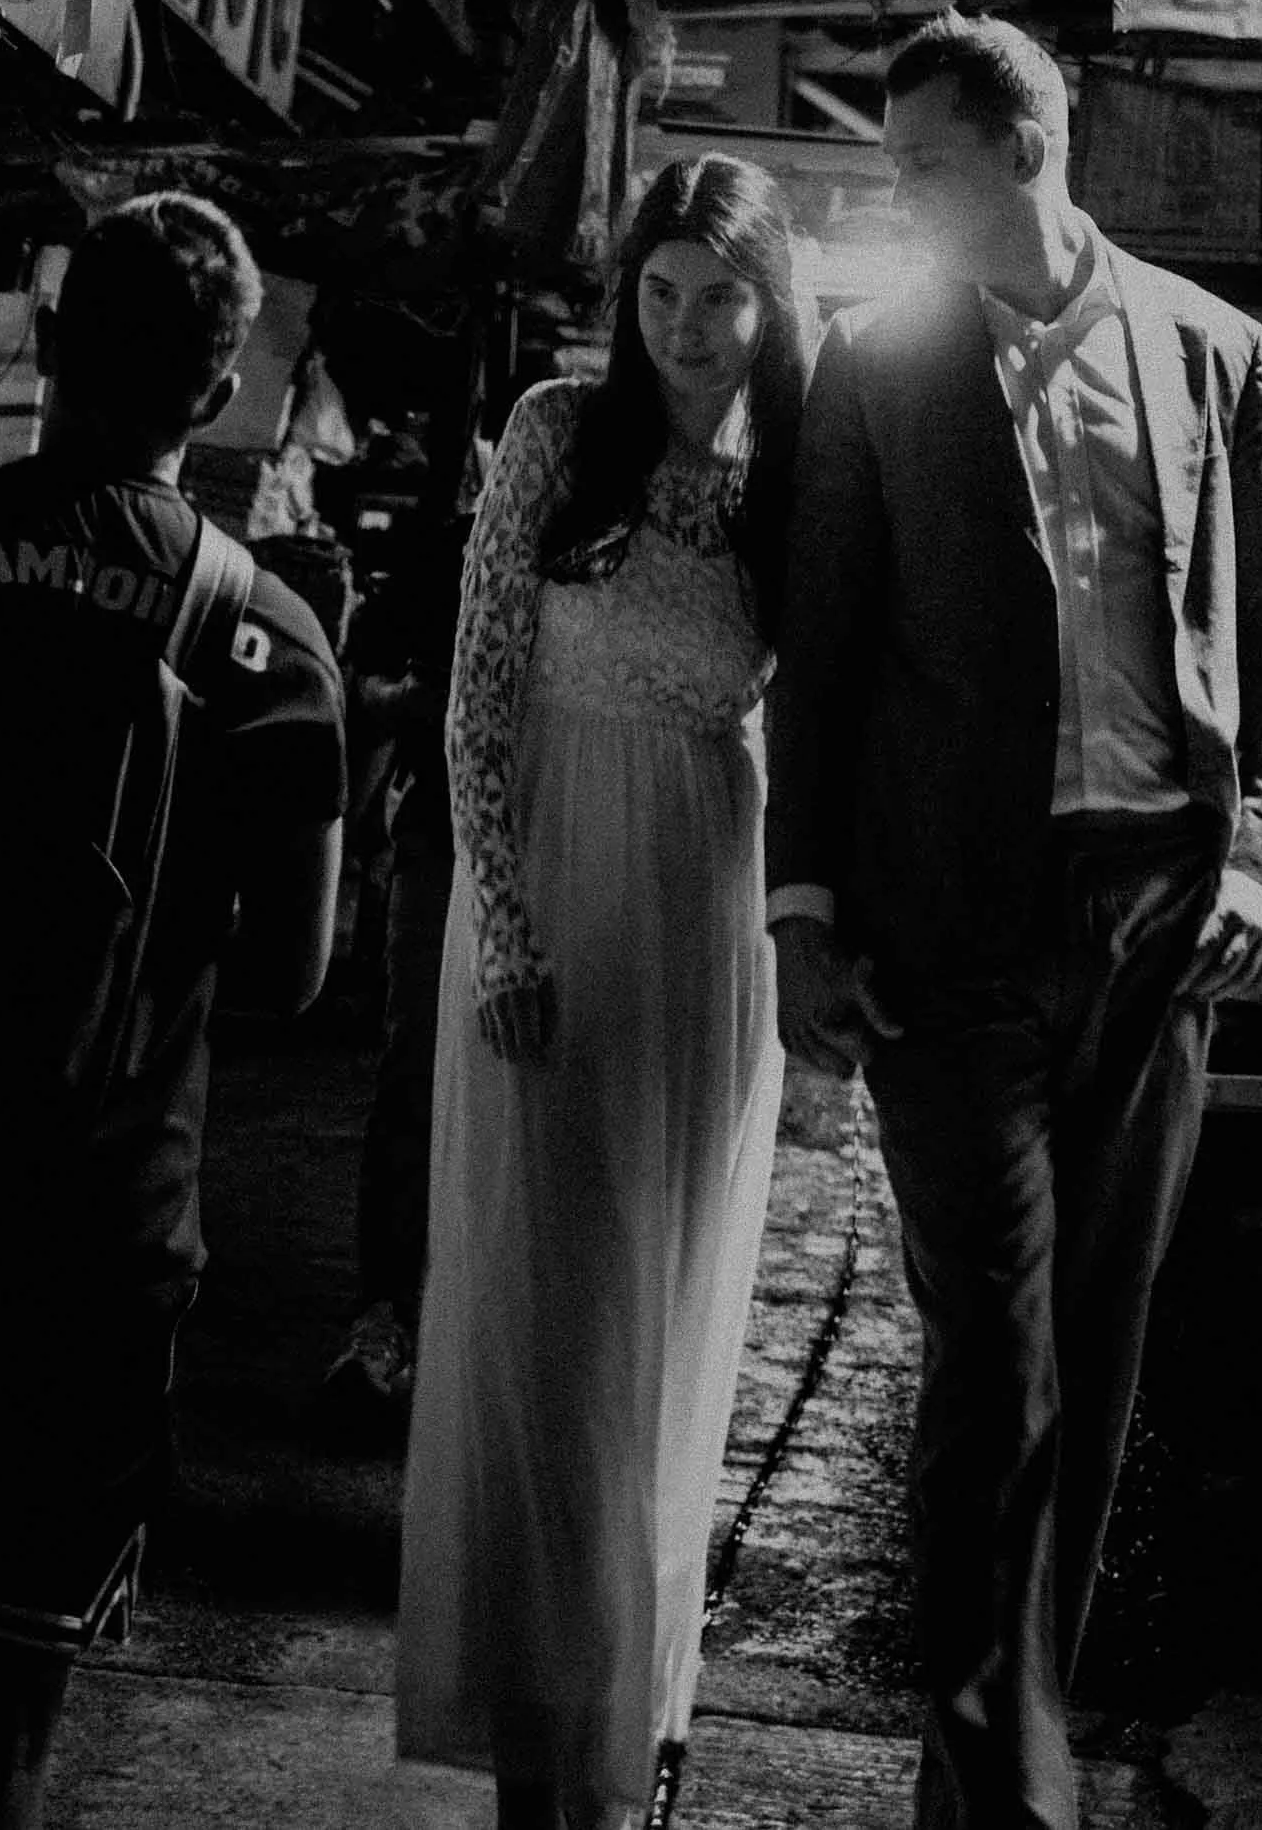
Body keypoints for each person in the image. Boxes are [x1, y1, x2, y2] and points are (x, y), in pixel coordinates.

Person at [768, 10, 1262, 1830]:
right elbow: (824, 660)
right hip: (953, 927)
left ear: (1028, 147)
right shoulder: (870, 363)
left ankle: (1010, 1747)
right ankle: (1002, 1787)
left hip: (1164, 913)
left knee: (1099, 1355)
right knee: (992, 1357)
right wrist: (803, 909)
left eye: (921, 159)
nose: (896, 190)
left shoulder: (1214, 348)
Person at [0, 191, 345, 1830]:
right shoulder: (271, 639)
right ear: (225, 379)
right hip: (85, 1217)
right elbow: (297, 966)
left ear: (45, 340)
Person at [395, 153, 811, 1830]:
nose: (688, 325)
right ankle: (533, 1731)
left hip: (714, 915)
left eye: (720, 294)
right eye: (662, 289)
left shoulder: (799, 473)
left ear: (772, 301)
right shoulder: (558, 430)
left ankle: (627, 1717)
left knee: (674, 1323)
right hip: (549, 896)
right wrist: (504, 933)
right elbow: (476, 689)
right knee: (542, 1322)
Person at [318, 414, 489, 1442]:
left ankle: (479, 1341)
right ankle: (381, 1327)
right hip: (441, 839)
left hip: (563, 853)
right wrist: (421, 699)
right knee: (416, 1080)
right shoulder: (446, 557)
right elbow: (362, 687)